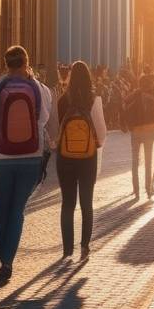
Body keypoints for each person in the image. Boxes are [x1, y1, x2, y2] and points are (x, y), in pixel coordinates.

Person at [0, 45, 56, 283]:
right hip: (32, 157)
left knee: (0, 212)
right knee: (17, 210)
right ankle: (7, 262)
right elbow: (45, 120)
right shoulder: (40, 89)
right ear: (27, 62)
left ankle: (3, 257)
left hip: (3, 158)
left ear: (6, 64)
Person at [55, 61, 107, 260]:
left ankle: (67, 249)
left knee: (67, 203)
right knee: (86, 202)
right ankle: (84, 246)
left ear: (69, 78)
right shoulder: (94, 100)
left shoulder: (61, 101)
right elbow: (101, 134)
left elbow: (54, 132)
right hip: (88, 158)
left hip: (65, 157)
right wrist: (94, 144)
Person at [124, 73, 154, 200]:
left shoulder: (134, 94)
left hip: (136, 132)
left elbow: (124, 105)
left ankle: (136, 190)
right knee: (148, 161)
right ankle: (148, 188)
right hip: (150, 132)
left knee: (135, 161)